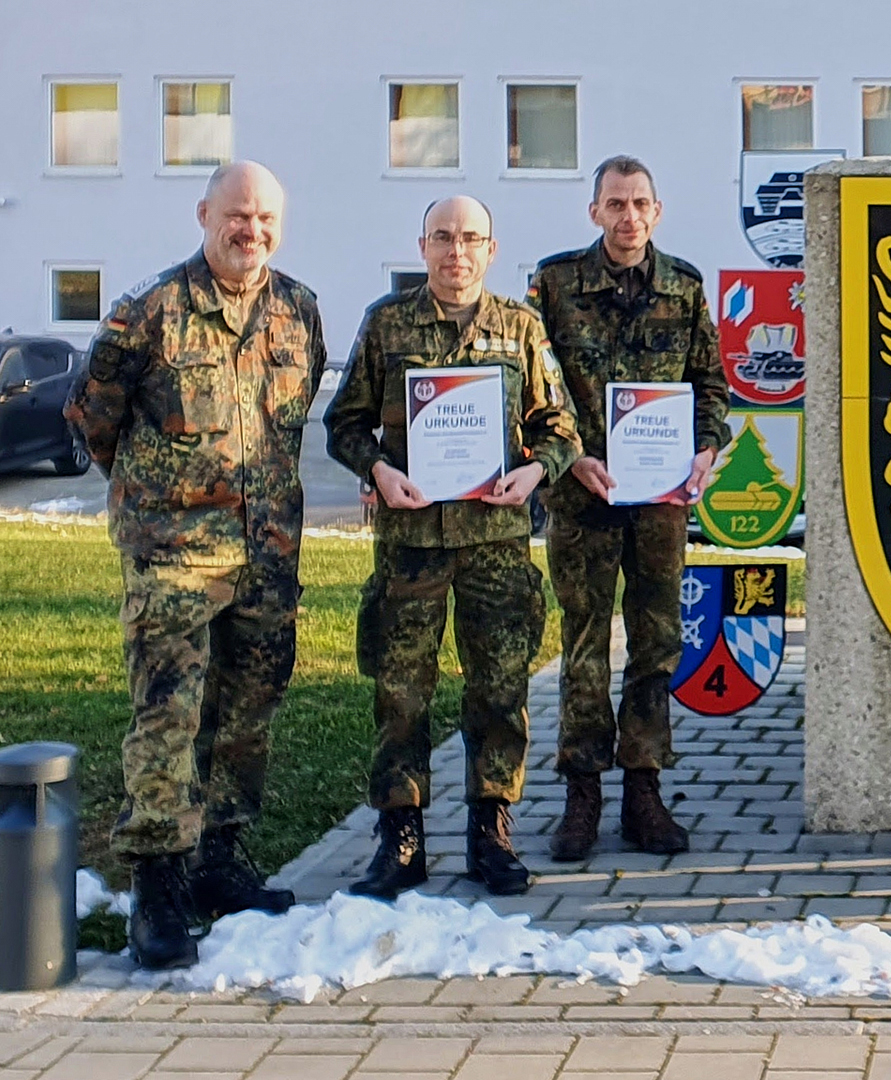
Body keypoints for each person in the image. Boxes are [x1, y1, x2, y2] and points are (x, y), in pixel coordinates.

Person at [65, 161, 323, 969]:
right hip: (173, 559)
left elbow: (292, 420)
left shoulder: (298, 309)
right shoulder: (147, 313)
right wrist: (158, 506)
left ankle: (218, 860)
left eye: (265, 219)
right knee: (170, 716)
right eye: (236, 215)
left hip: (267, 555)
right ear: (204, 213)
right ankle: (159, 883)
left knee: (246, 714)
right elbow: (94, 423)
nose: (251, 231)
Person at [326, 196, 581, 899]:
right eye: (443, 238)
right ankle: (400, 837)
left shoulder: (520, 328)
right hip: (411, 543)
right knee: (401, 691)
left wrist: (536, 470)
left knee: (499, 690)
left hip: (496, 544)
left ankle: (491, 830)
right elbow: (343, 423)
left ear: (491, 250)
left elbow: (561, 427)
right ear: (423, 245)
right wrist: (376, 469)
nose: (456, 251)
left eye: (470, 238)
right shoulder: (388, 324)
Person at [525, 156, 729, 861]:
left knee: (655, 642)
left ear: (658, 210)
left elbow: (711, 385)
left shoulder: (685, 287)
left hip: (660, 503)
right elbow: (533, 389)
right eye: (615, 203)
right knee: (584, 645)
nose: (628, 216)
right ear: (594, 213)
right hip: (583, 495)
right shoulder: (553, 286)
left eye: (640, 202)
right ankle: (582, 793)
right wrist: (571, 455)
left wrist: (705, 449)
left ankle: (644, 788)